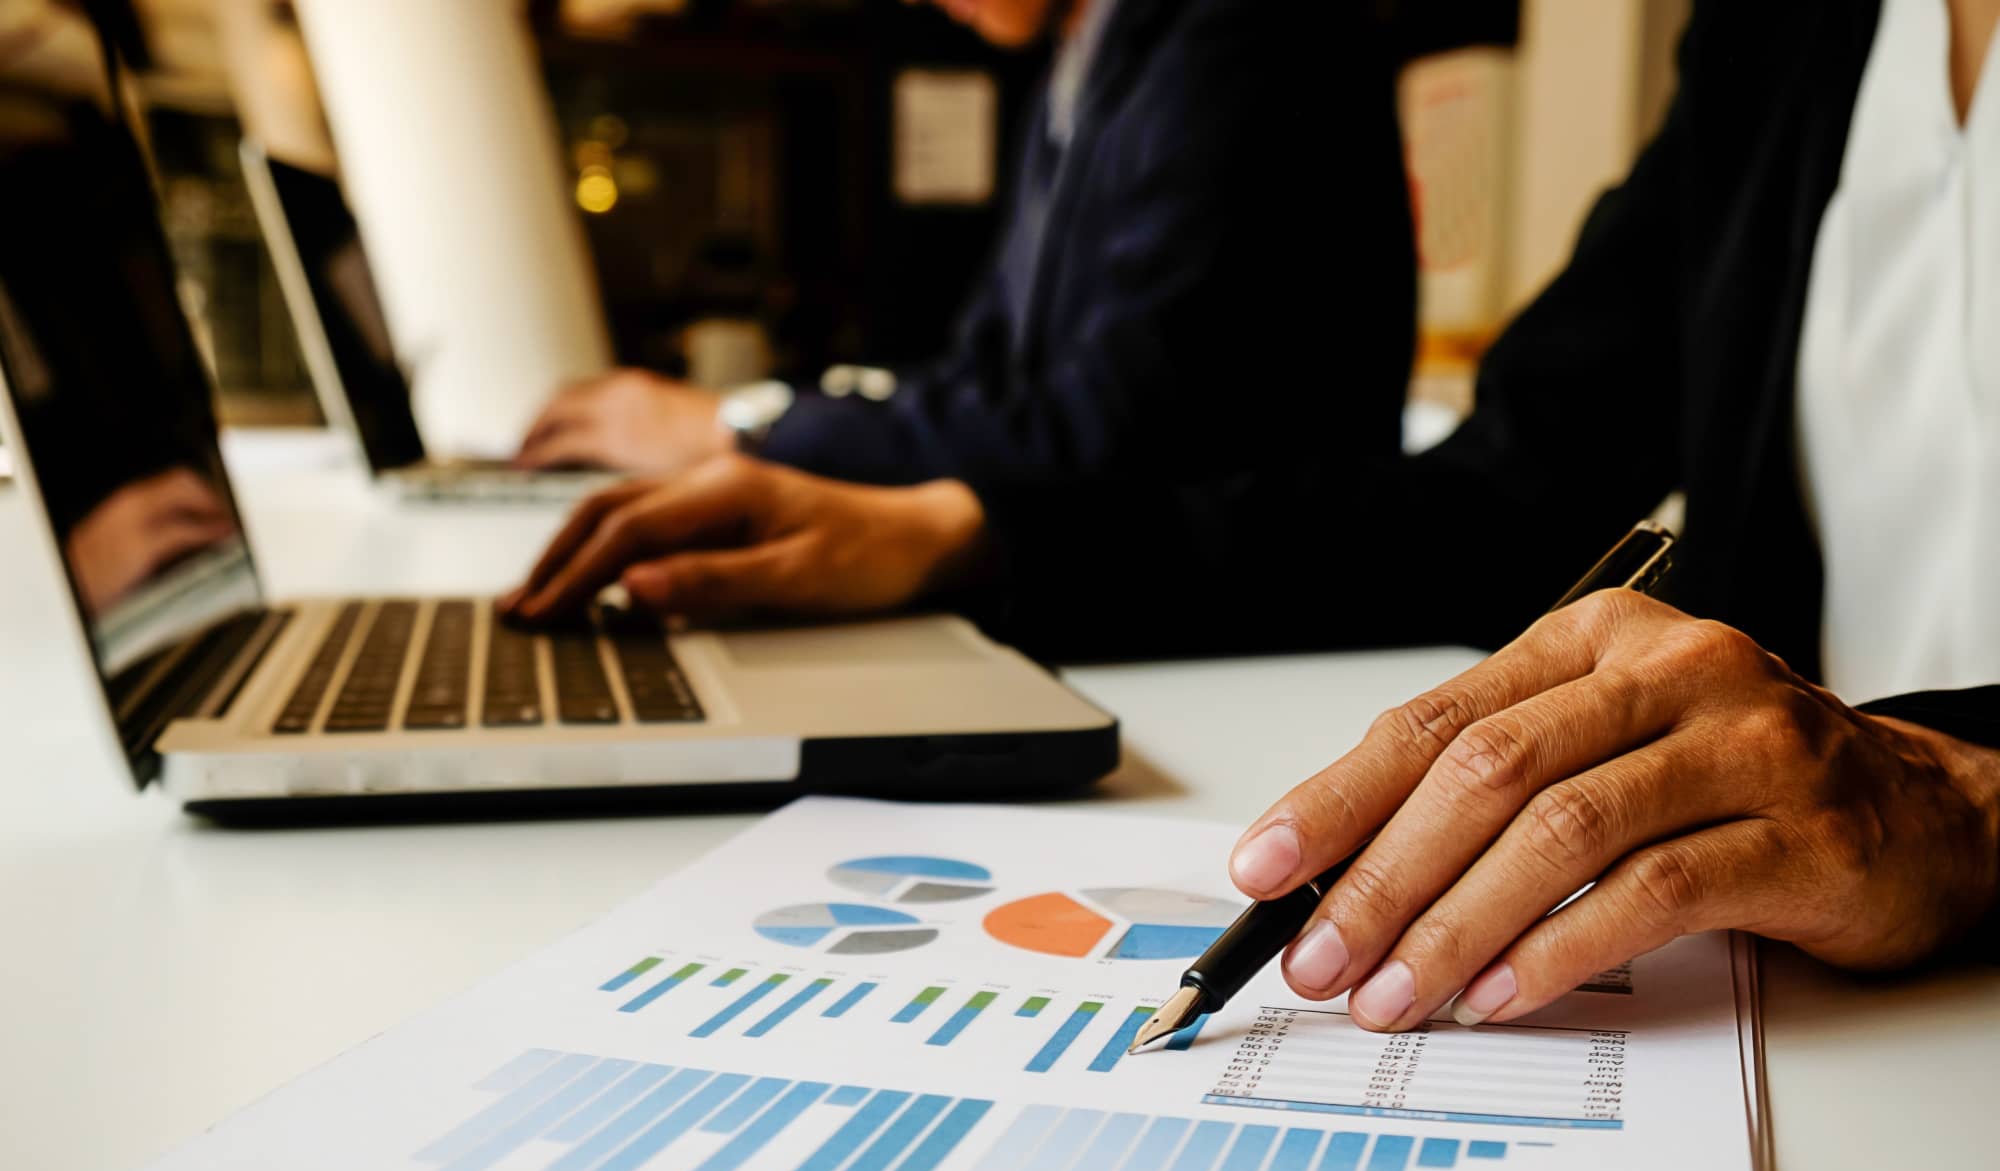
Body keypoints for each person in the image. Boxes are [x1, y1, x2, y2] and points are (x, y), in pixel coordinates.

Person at [506, 0, 2000, 1017]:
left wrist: (1956, 791)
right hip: (1799, 1000)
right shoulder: (1782, 29)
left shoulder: (1229, 38)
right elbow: (1498, 500)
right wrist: (981, 541)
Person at [509, 0, 1414, 507]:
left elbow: (1110, 435)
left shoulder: (1236, 38)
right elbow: (981, 378)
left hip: (1245, 629)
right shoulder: (1079, 61)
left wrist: (735, 427)